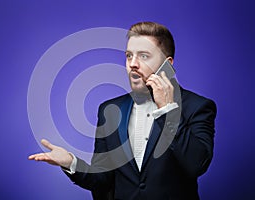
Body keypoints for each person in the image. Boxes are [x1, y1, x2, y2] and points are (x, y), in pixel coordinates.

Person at [29, 22, 217, 200]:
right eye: (129, 56)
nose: (132, 64)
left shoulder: (197, 107)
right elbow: (102, 180)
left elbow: (196, 165)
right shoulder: (109, 110)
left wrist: (168, 110)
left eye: (143, 56)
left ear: (167, 65)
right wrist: (71, 162)